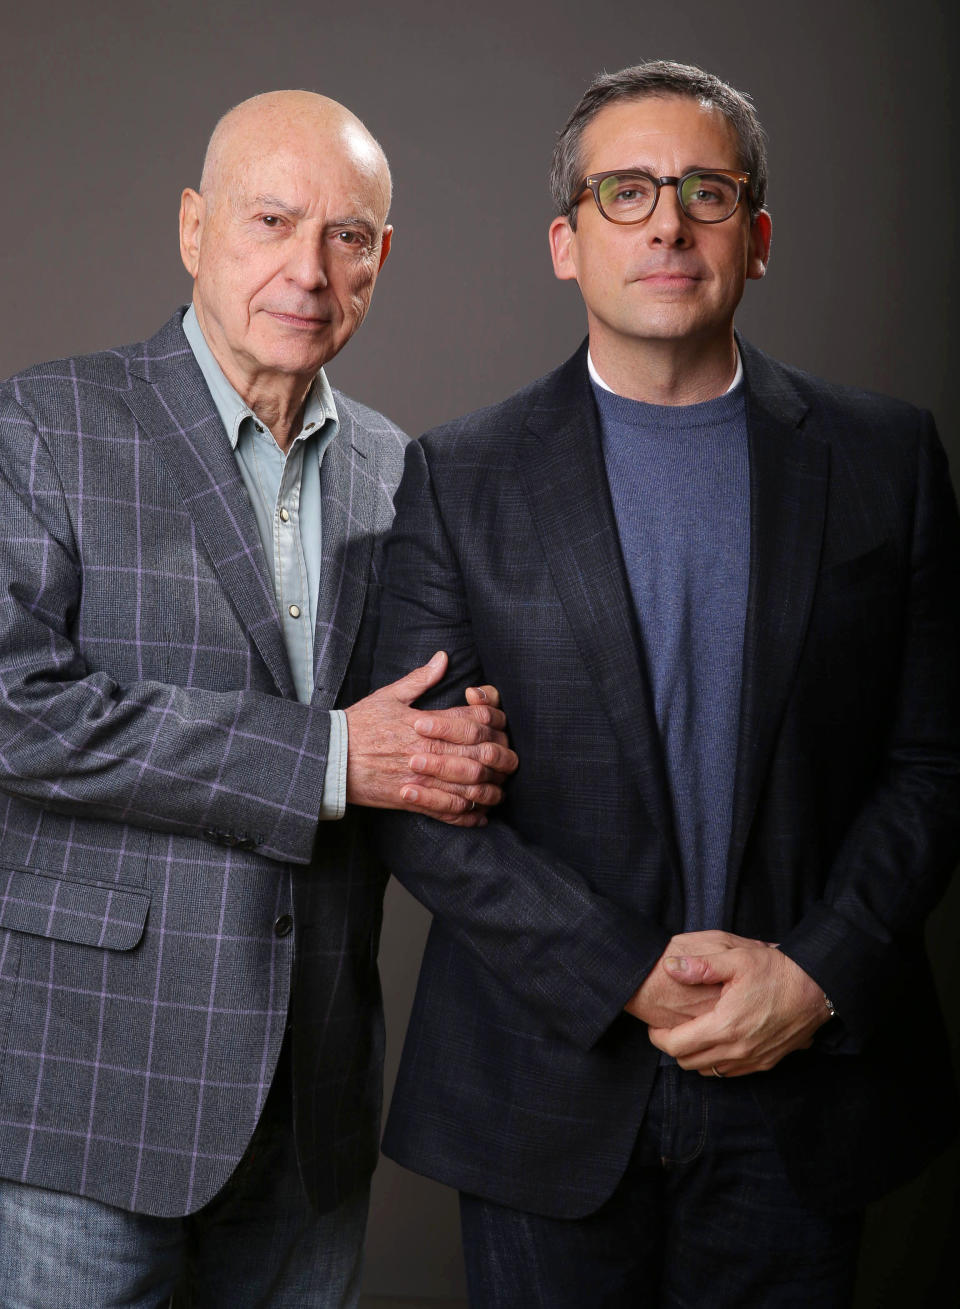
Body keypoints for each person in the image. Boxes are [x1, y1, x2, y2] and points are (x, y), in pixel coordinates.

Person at [372, 60, 960, 1306]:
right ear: (563, 242)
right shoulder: (456, 476)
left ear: (755, 238)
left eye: (704, 190)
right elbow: (420, 802)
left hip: (803, 1079)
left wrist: (814, 975)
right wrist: (619, 971)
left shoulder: (885, 457)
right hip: (547, 1088)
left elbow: (935, 760)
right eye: (625, 192)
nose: (666, 222)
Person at [0, 90, 518, 1307]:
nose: (307, 268)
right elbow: (17, 708)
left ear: (381, 260)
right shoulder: (47, 424)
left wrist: (467, 752)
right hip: (92, 1092)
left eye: (347, 236)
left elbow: (428, 745)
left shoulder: (406, 471)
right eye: (271, 220)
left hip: (314, 1099)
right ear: (193, 229)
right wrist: (331, 759)